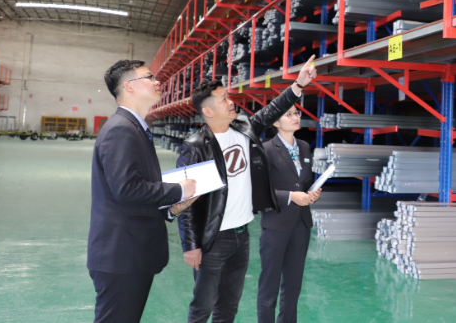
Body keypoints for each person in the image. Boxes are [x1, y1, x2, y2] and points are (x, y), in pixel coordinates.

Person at [177, 56, 318, 323]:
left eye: (228, 97)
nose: (231, 102)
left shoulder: (243, 129)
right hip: (213, 239)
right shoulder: (196, 147)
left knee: (229, 306)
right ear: (208, 111)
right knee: (203, 306)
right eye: (223, 99)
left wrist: (298, 85)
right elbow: (187, 200)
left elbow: (272, 110)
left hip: (241, 236)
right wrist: (191, 245)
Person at [87, 60, 198, 323]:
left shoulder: (135, 128)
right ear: (129, 86)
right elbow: (127, 189)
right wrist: (178, 190)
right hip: (121, 255)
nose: (157, 81)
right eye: (149, 77)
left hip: (130, 253)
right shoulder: (121, 130)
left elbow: (130, 191)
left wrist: (170, 210)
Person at [257, 106, 321, 323]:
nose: (295, 117)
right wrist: (291, 196)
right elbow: (260, 191)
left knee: (293, 286)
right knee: (269, 286)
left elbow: (304, 182)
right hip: (276, 226)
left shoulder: (304, 147)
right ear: (275, 122)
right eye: (289, 114)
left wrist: (312, 193)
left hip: (301, 224)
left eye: (297, 113)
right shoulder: (266, 149)